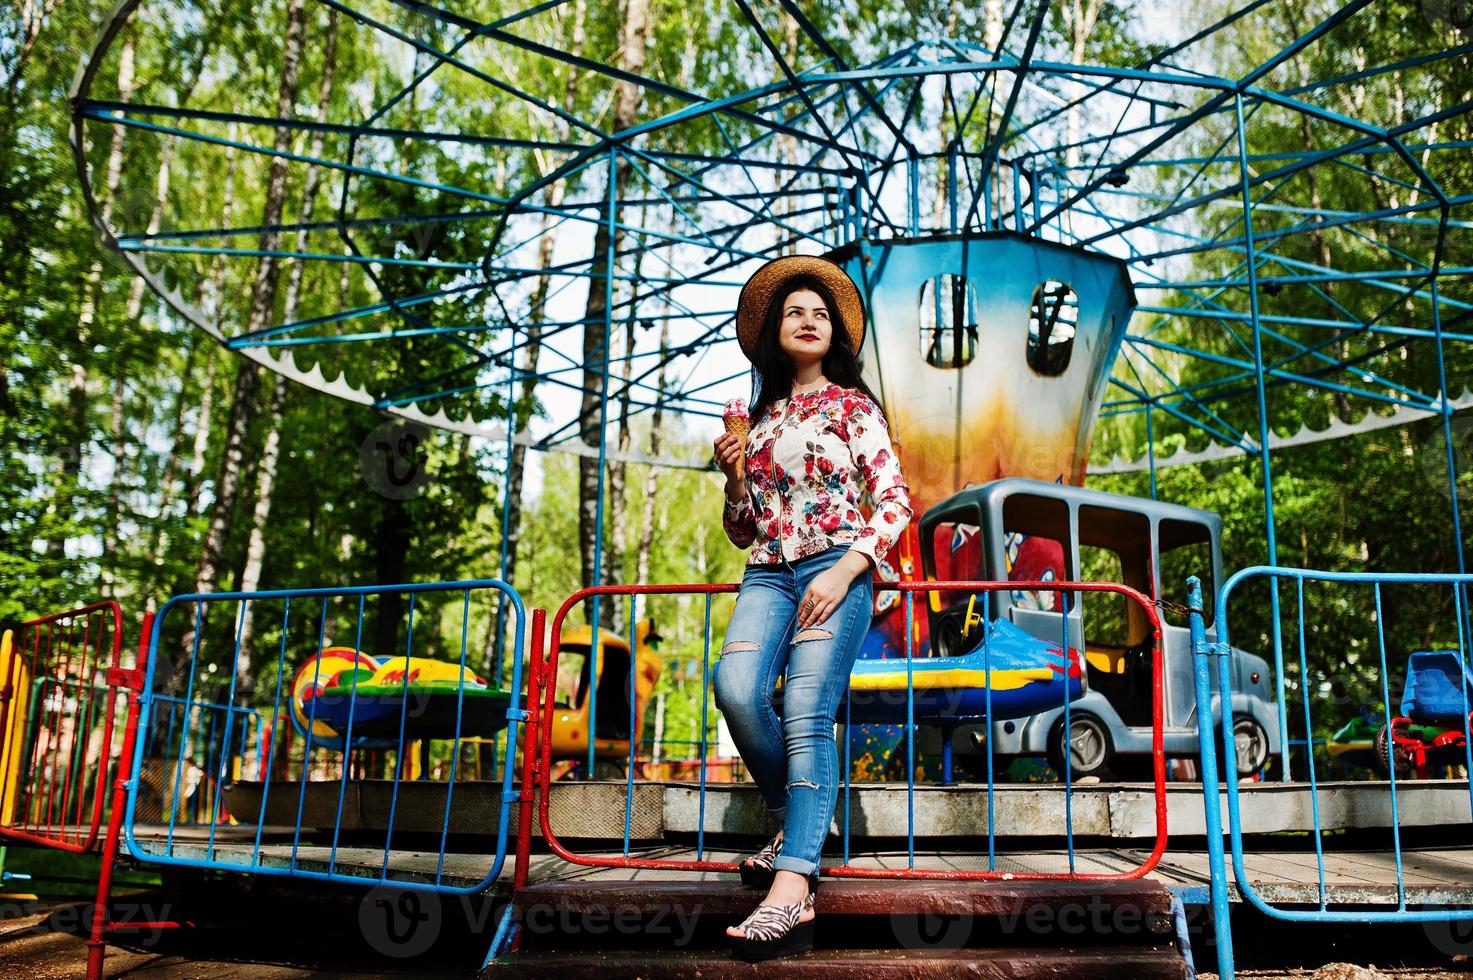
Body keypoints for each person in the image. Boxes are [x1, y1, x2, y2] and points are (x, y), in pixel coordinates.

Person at [710, 254, 912, 961]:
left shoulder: (854, 408)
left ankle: (792, 888)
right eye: (794, 311)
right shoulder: (758, 421)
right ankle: (796, 819)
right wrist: (735, 479)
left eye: (819, 313)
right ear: (774, 330)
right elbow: (743, 528)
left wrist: (849, 569)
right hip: (767, 572)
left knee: (803, 709)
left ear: (834, 336)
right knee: (733, 689)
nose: (807, 319)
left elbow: (894, 504)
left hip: (837, 565)